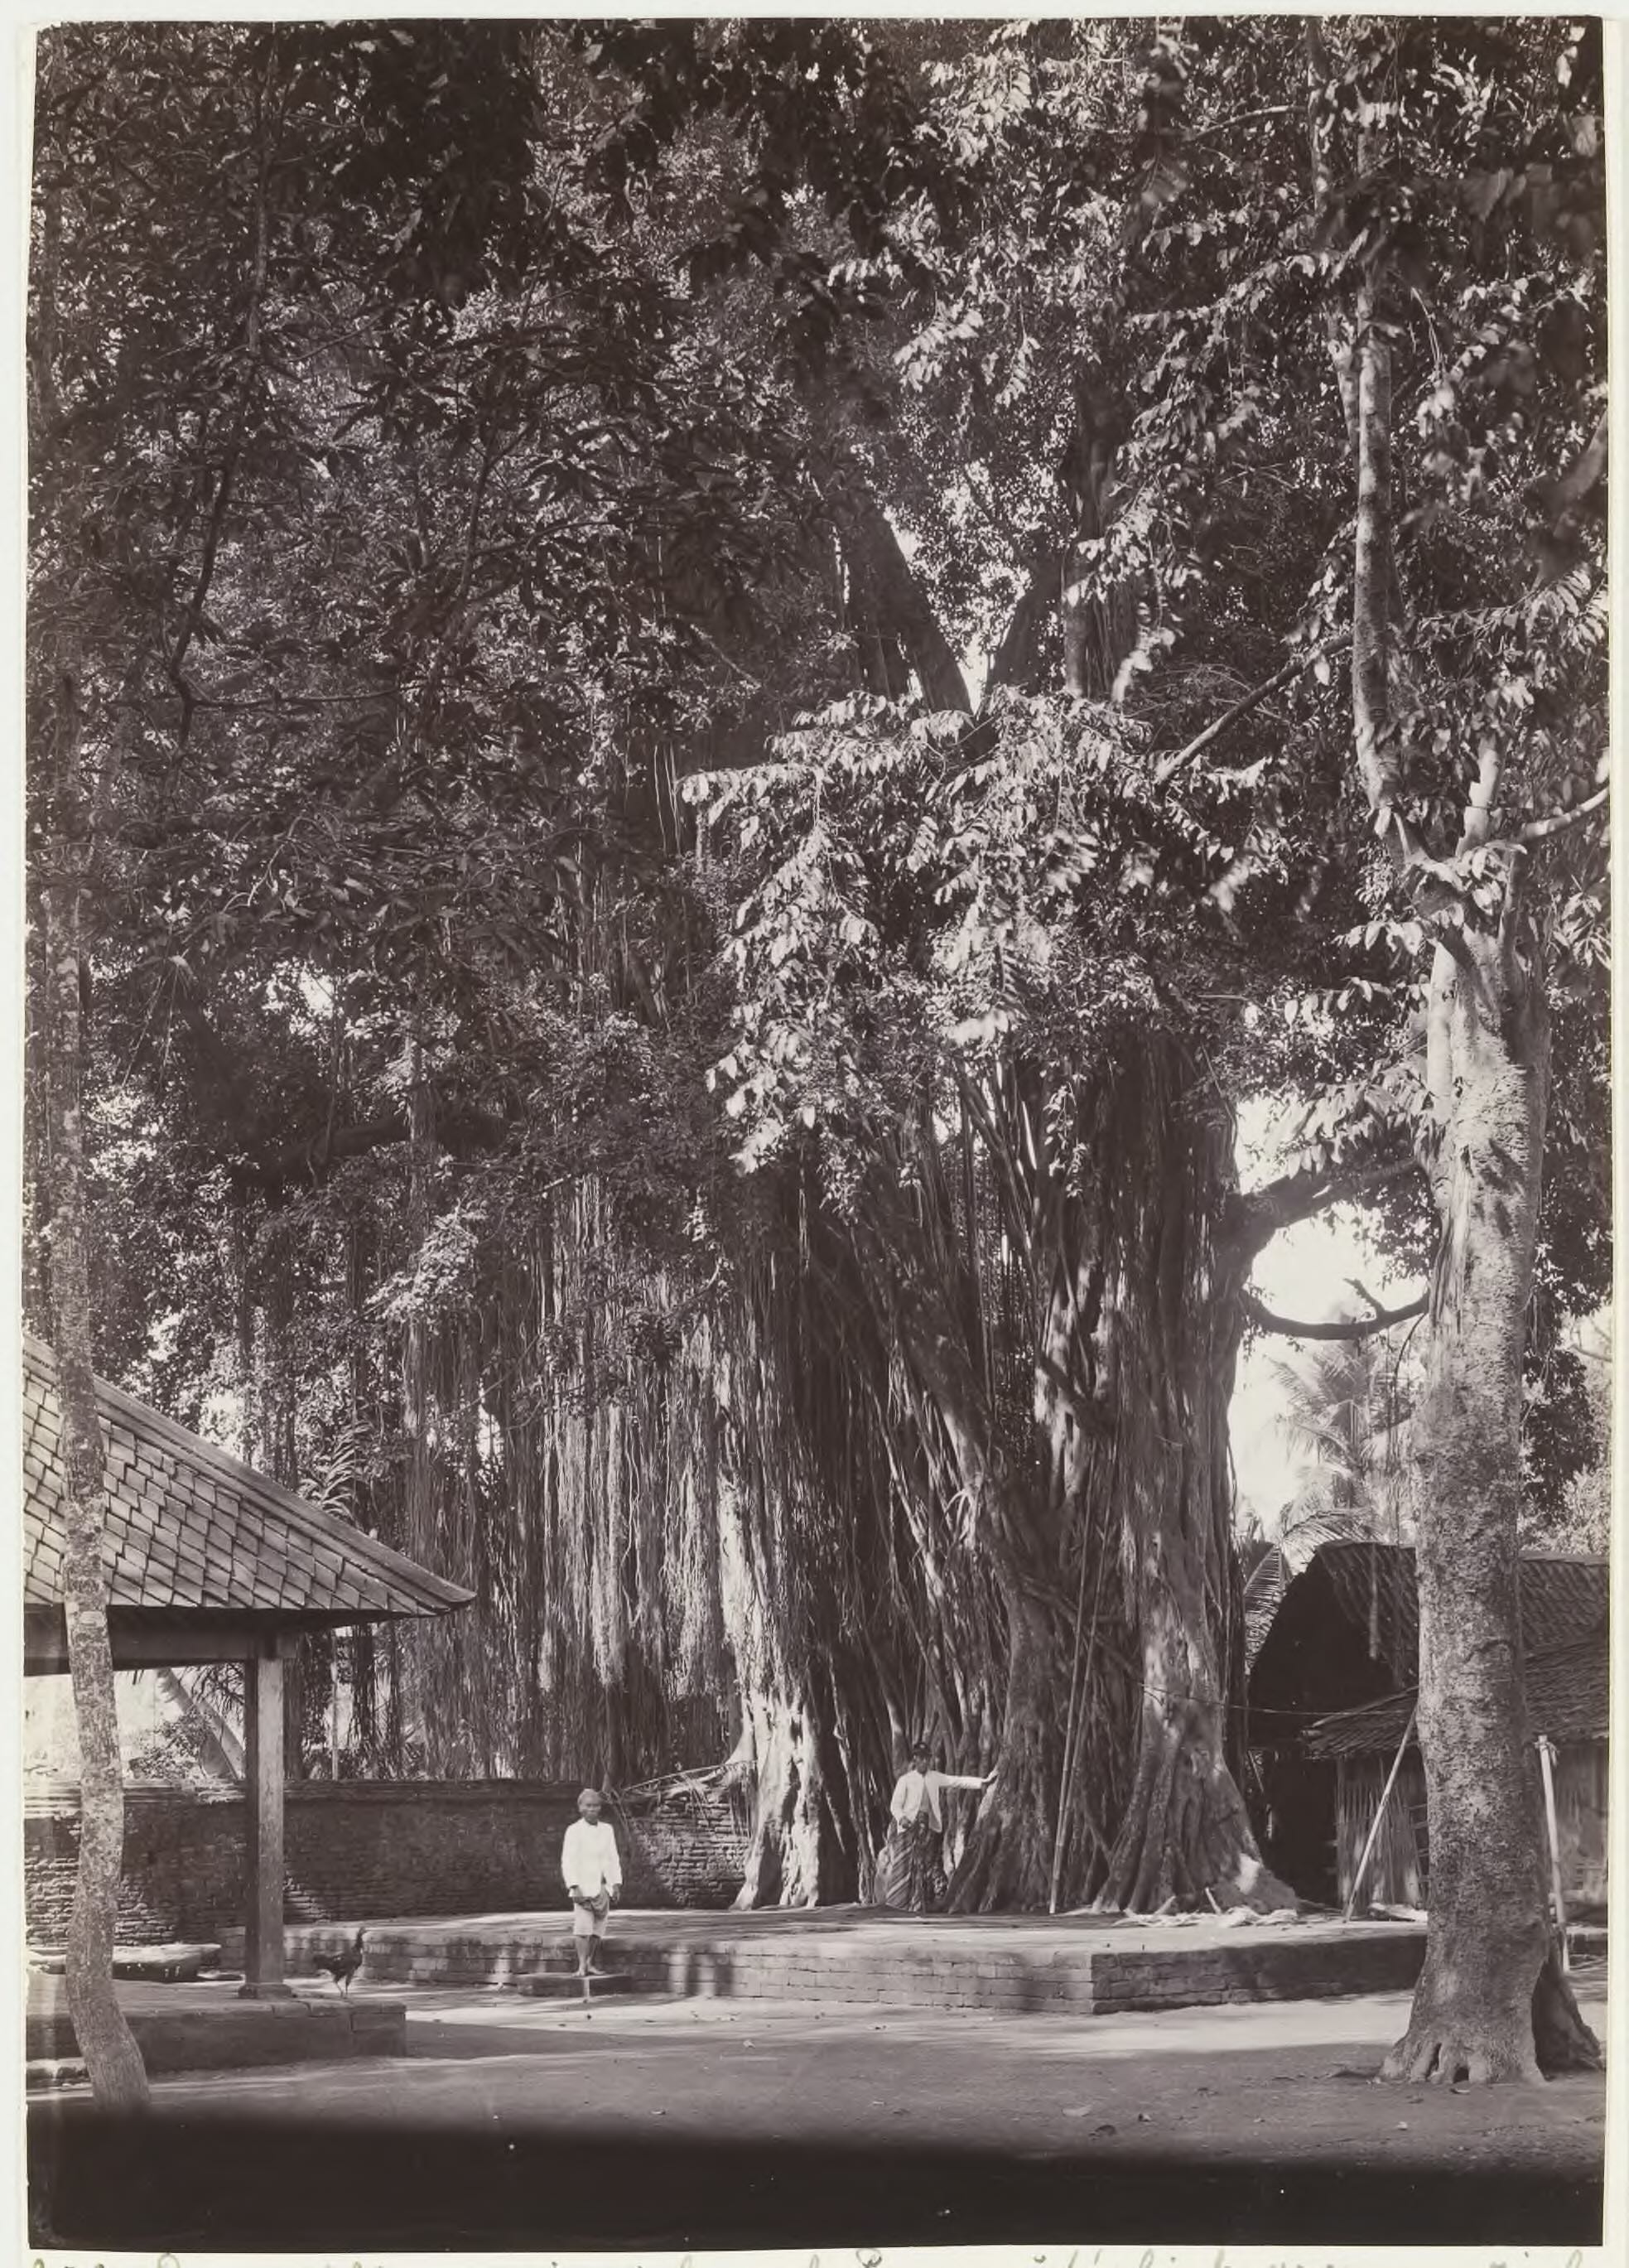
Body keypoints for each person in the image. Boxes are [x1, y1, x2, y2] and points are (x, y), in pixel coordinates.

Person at [875, 1744, 995, 1913]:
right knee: (903, 1864)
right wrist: (902, 1819)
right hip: (907, 1826)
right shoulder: (905, 1780)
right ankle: (896, 1903)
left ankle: (915, 1905)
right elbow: (895, 1805)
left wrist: (982, 1782)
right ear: (915, 1759)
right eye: (920, 1757)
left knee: (920, 1865)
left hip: (925, 1828)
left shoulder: (935, 1777)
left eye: (927, 1758)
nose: (924, 1761)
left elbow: (956, 1781)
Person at [561, 1786, 622, 1977]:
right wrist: (574, 1885)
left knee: (598, 1929)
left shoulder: (607, 1830)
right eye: (588, 1805)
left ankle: (589, 1963)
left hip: (602, 1886)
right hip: (582, 1886)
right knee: (583, 1928)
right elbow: (567, 1860)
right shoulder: (574, 1831)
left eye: (596, 1805)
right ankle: (580, 1966)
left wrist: (616, 1883)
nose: (592, 1809)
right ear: (580, 1807)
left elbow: (613, 1858)